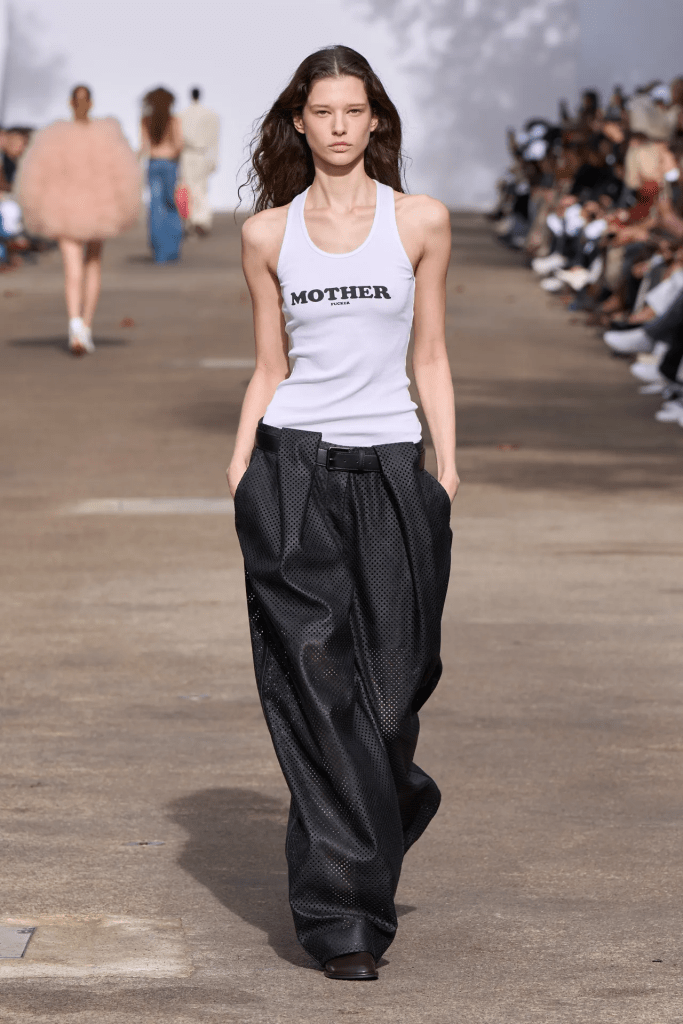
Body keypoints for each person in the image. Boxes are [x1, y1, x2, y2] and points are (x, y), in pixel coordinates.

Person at [227, 45, 457, 981]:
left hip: (395, 472)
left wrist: (447, 468)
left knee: (392, 692)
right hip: (291, 471)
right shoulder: (265, 236)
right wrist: (243, 461)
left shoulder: (420, 223)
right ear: (298, 122)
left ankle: (386, 801)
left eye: (351, 111)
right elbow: (269, 366)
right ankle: (343, 919)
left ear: (375, 123)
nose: (335, 127)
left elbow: (430, 353)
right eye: (319, 111)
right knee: (315, 689)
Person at [16, 86, 140, 354]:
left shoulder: (55, 136)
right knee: (92, 267)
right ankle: (85, 327)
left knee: (72, 270)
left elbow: (38, 177)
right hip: (98, 209)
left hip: (65, 209)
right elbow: (122, 176)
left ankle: (75, 326)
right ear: (91, 103)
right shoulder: (106, 135)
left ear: (70, 103)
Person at [140, 87, 183, 262]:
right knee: (171, 206)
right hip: (170, 163)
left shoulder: (145, 120)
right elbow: (178, 144)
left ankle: (159, 252)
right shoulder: (173, 120)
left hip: (153, 162)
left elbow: (143, 146)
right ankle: (172, 249)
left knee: (156, 207)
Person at [179, 87, 220, 236]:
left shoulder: (181, 115)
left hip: (187, 155)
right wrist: (215, 159)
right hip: (202, 154)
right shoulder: (210, 114)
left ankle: (192, 220)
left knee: (189, 187)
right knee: (201, 188)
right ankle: (201, 220)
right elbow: (215, 139)